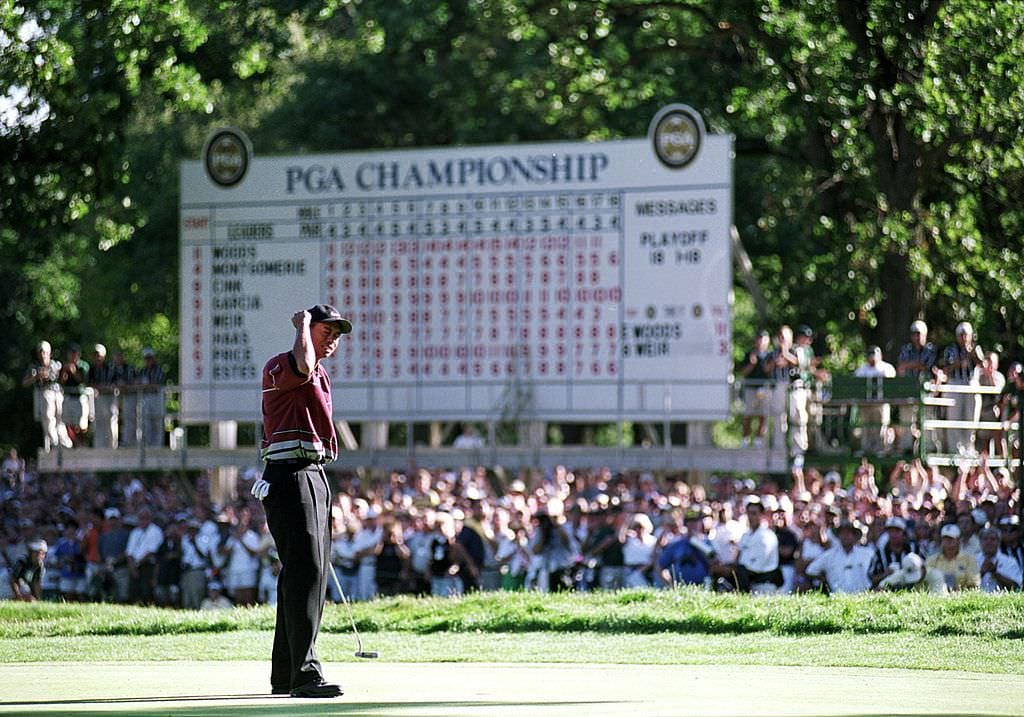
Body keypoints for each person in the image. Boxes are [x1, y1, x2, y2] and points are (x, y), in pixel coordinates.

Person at [249, 304, 351, 699]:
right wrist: (304, 325)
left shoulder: (321, 374)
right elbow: (303, 364)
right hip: (289, 473)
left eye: (336, 335)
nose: (332, 340)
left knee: (308, 571)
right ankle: (305, 673)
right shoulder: (283, 365)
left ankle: (286, 673)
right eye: (327, 331)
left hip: (313, 473)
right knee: (305, 570)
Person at [940, 322, 984, 453]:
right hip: (955, 383)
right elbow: (946, 368)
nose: (963, 338)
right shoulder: (950, 350)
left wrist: (973, 355)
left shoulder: (976, 349)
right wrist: (960, 363)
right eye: (961, 335)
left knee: (971, 417)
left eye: (966, 335)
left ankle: (969, 448)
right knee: (954, 417)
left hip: (971, 383)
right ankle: (955, 448)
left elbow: (983, 364)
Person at [896, 320, 938, 452]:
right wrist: (916, 364)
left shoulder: (931, 350)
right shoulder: (906, 350)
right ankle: (907, 447)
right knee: (906, 420)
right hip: (909, 391)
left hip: (925, 391)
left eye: (919, 334)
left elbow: (927, 366)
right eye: (914, 334)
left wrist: (911, 365)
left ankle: (928, 448)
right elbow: (900, 368)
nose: (917, 337)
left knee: (927, 420)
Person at [23, 341, 73, 451]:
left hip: (57, 393)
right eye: (40, 352)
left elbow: (61, 379)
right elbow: (25, 382)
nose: (42, 355)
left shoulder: (55, 365)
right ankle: (54, 442)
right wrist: (36, 377)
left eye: (44, 352)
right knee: (48, 419)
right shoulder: (34, 367)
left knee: (60, 419)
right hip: (44, 393)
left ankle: (64, 442)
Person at [805, 520, 874, 594]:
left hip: (862, 596)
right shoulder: (829, 556)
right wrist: (826, 579)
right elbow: (810, 570)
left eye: (848, 533)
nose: (845, 536)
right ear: (838, 536)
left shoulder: (867, 553)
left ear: (854, 536)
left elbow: (875, 572)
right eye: (842, 533)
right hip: (838, 597)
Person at [854, 346, 897, 454]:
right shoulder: (861, 370)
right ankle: (866, 448)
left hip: (881, 404)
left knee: (881, 426)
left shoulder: (886, 368)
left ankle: (881, 449)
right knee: (866, 427)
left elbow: (890, 384)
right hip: (865, 404)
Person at [737, 330, 773, 447]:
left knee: (762, 415)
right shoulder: (749, 354)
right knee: (748, 414)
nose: (760, 342)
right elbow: (743, 372)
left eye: (763, 339)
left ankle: (758, 440)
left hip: (764, 389)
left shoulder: (769, 355)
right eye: (759, 339)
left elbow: (768, 371)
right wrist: (752, 364)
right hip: (750, 389)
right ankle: (745, 440)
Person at [925, 524, 980, 591]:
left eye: (951, 539)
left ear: (958, 540)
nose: (948, 542)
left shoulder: (969, 559)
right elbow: (925, 581)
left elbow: (974, 584)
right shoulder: (932, 560)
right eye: (945, 539)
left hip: (961, 596)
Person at [58, 344, 91, 445]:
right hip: (68, 397)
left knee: (81, 424)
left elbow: (83, 381)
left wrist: (74, 372)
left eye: (74, 354)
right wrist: (65, 371)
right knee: (68, 423)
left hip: (80, 398)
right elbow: (61, 382)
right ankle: (73, 443)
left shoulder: (83, 366)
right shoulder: (65, 366)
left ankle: (82, 443)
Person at [88, 344, 119, 448]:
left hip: (109, 398)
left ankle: (112, 446)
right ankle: (99, 447)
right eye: (95, 355)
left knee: (111, 422)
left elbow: (115, 383)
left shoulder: (110, 368)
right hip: (97, 398)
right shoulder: (92, 369)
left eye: (99, 355)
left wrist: (104, 387)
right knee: (99, 423)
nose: (97, 358)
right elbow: (90, 383)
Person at [976, 527, 1022, 592]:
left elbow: (1017, 587)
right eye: (985, 539)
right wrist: (982, 572)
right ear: (980, 542)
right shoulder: (973, 560)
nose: (989, 542)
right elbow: (965, 586)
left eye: (993, 539)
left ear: (999, 542)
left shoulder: (1010, 562)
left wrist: (995, 573)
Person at [136, 348, 166, 447]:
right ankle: (148, 445)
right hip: (146, 398)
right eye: (146, 358)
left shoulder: (159, 370)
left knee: (157, 421)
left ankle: (158, 445)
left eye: (150, 358)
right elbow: (138, 384)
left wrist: (147, 386)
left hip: (157, 398)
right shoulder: (142, 371)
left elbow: (157, 385)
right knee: (146, 422)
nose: (148, 360)